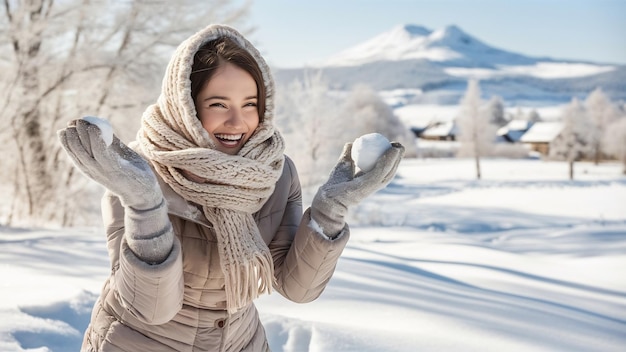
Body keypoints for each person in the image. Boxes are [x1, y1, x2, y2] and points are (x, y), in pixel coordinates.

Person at [58, 24, 404, 352]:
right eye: (218, 105)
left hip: (241, 341)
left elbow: (296, 287)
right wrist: (145, 204)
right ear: (186, 106)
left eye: (250, 105)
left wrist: (331, 210)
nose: (237, 123)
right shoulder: (136, 171)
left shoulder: (274, 172)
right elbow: (151, 307)